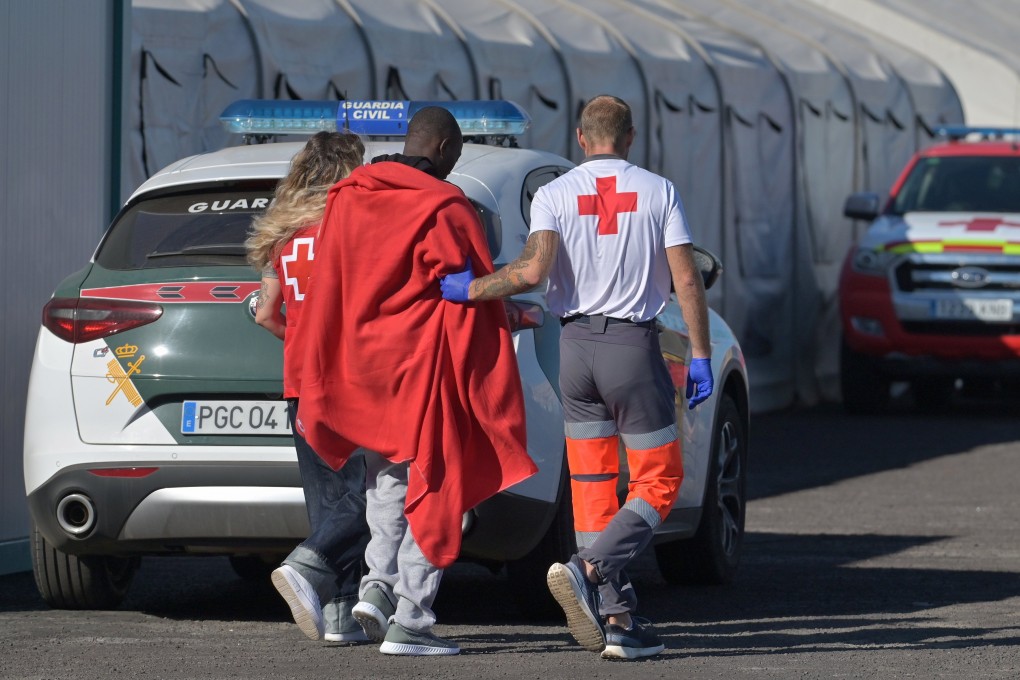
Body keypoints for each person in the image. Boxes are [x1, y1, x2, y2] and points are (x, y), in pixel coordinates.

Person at [440, 94, 714, 660]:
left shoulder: (554, 194)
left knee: (591, 490)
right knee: (659, 481)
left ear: (581, 138)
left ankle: (617, 619)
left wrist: (469, 289)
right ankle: (589, 568)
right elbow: (687, 280)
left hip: (573, 351)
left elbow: (532, 270)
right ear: (631, 137)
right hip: (632, 350)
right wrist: (703, 353)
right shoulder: (658, 191)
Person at [294, 106, 538, 656]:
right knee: (439, 480)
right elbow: (471, 290)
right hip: (424, 368)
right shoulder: (445, 205)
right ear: (448, 147)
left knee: (387, 480)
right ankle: (412, 619)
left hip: (364, 370)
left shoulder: (349, 195)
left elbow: (332, 283)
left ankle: (376, 589)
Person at [245, 130, 370, 644]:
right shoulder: (352, 226)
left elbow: (267, 315)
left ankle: (340, 618)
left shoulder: (284, 234)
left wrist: (300, 339)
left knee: (328, 498)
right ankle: (309, 564)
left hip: (301, 381)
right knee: (375, 495)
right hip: (354, 378)